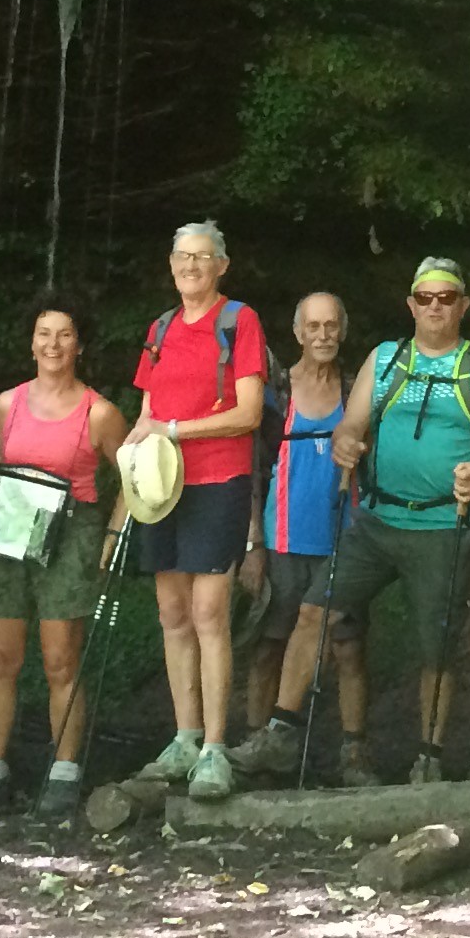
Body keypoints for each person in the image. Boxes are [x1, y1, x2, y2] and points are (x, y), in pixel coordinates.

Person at [331, 258, 470, 785]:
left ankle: (429, 758)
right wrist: (346, 444)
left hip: (445, 525)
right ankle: (288, 732)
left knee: (435, 644)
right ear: (411, 304)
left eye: (447, 297)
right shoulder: (385, 358)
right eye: (426, 297)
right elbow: (350, 426)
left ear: (464, 306)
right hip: (376, 518)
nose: (436, 306)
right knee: (316, 612)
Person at [0, 293, 125, 823]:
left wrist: (112, 535)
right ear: (31, 342)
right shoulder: (8, 404)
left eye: (64, 334)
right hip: (11, 522)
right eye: (43, 333)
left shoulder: (101, 412)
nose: (53, 344)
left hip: (73, 529)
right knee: (0, 657)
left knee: (60, 659)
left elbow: (132, 478)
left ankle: (65, 773)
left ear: (80, 345)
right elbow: (4, 464)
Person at [120, 221, 267, 803]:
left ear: (221, 265)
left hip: (218, 480)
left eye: (203, 258)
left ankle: (215, 749)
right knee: (172, 613)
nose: (192, 266)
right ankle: (183, 737)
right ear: (171, 263)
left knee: (210, 613)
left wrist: (174, 430)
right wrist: (129, 456)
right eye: (183, 257)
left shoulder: (240, 321)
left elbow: (249, 412)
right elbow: (146, 411)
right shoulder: (159, 328)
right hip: (160, 486)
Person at [225, 291, 368, 787]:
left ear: (342, 331)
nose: (323, 335)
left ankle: (353, 757)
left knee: (349, 649)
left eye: (332, 326)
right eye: (314, 327)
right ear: (298, 333)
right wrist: (252, 545)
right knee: (268, 646)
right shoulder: (275, 392)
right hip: (280, 538)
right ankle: (256, 750)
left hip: (343, 540)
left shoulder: (356, 391)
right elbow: (250, 469)